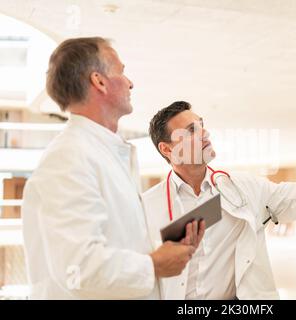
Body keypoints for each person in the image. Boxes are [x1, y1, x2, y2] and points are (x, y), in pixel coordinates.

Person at [21, 37, 204, 299]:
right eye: (121, 71)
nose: (130, 82)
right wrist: (154, 265)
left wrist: (166, 253)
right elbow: (79, 268)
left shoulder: (102, 153)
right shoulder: (68, 158)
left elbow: (111, 249)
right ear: (99, 81)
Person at [142, 100, 296, 299]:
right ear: (167, 149)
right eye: (191, 130)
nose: (204, 133)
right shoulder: (145, 207)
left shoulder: (244, 188)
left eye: (201, 125)